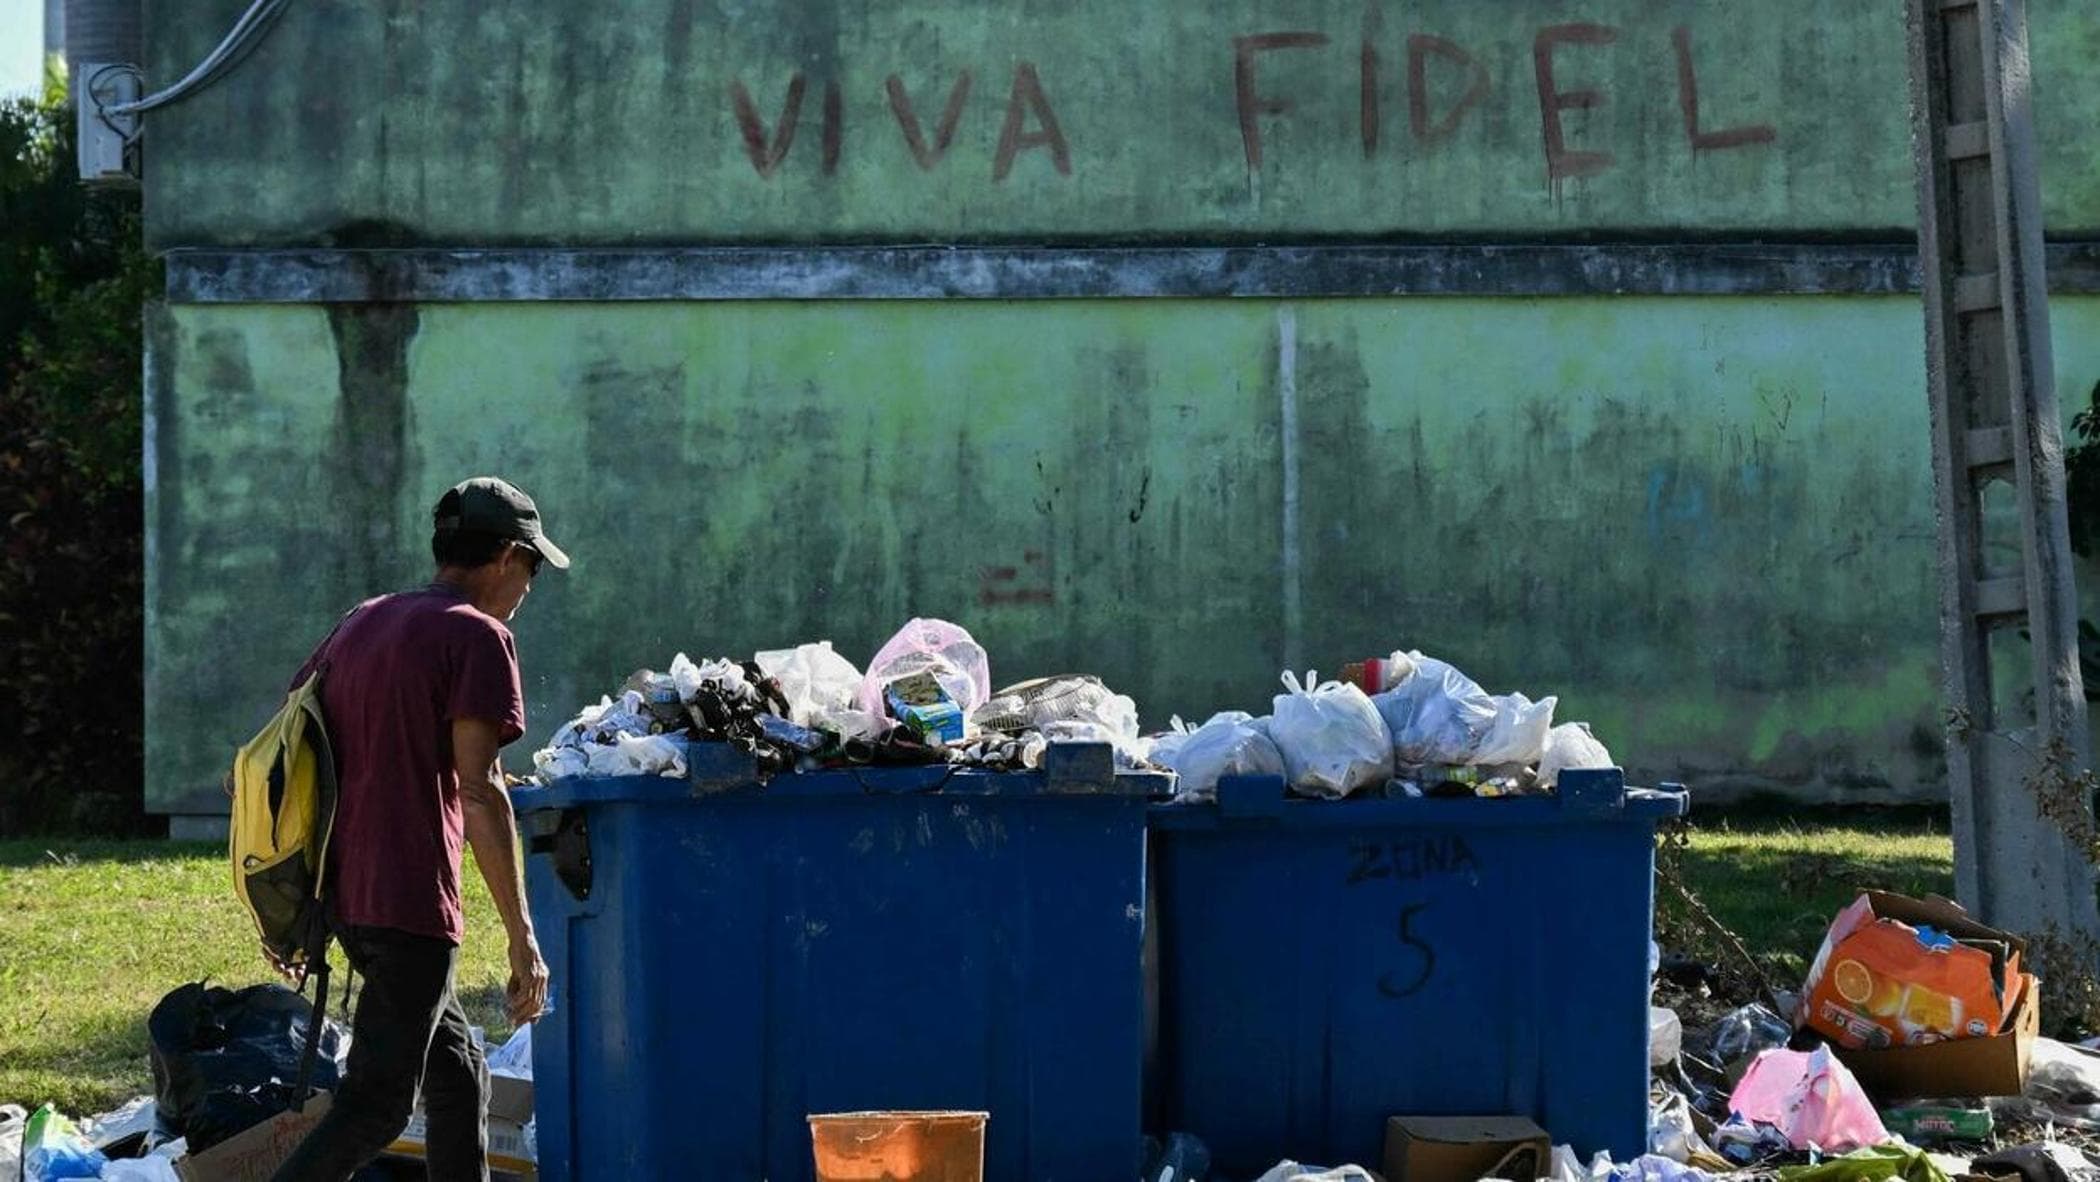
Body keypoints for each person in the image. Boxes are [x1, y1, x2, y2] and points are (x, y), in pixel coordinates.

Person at [271, 476, 569, 1182]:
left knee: (460, 1069)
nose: (528, 587)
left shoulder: (364, 620)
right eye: (531, 568)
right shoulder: (479, 636)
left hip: (346, 896)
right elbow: (478, 787)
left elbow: (295, 736)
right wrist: (524, 938)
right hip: (409, 906)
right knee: (376, 1105)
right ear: (505, 557)